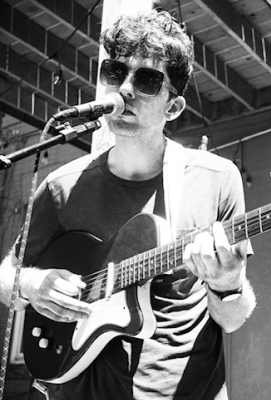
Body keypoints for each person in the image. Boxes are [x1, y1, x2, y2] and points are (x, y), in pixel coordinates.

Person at [0, 9, 256, 400]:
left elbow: (232, 320)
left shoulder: (216, 179)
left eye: (147, 80)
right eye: (115, 72)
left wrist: (227, 284)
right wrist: (35, 284)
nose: (125, 89)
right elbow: (6, 277)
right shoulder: (61, 186)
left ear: (173, 108)